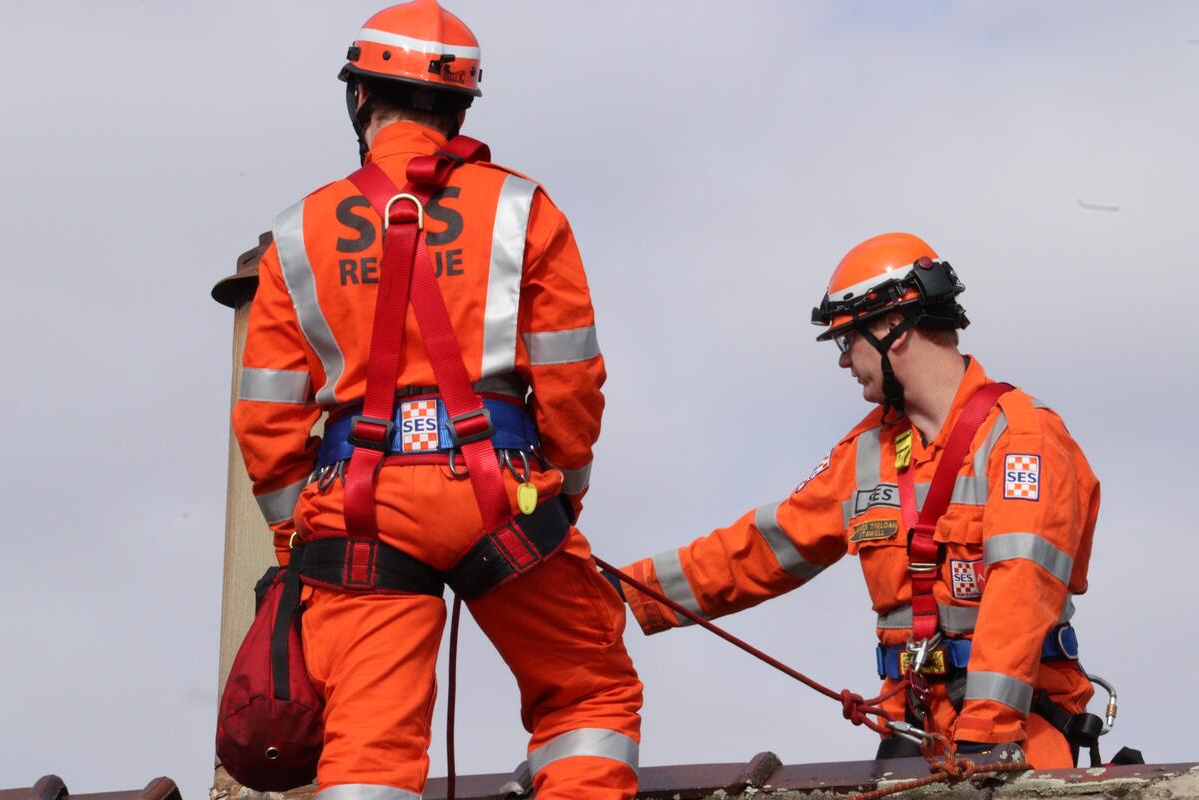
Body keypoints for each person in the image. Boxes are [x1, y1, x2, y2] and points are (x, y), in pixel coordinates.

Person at [231, 2, 642, 798]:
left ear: (360, 98)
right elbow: (570, 378)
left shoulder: (296, 233)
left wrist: (298, 541)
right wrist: (561, 492)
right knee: (587, 693)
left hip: (359, 511)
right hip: (504, 492)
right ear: (458, 108)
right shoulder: (523, 207)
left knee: (368, 754)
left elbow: (267, 420)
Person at [617, 232, 1098, 769]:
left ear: (893, 329)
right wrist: (629, 591)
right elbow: (765, 547)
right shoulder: (868, 452)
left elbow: (1021, 589)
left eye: (848, 341)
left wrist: (986, 736)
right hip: (915, 732)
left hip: (1016, 730)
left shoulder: (1023, 440)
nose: (845, 362)